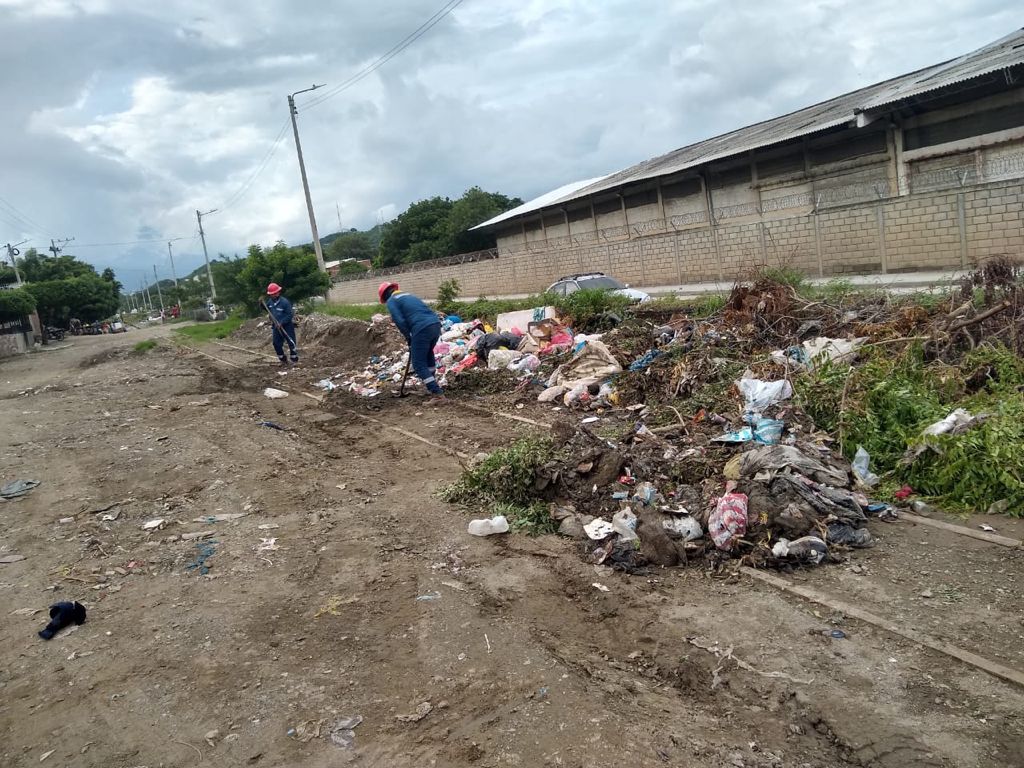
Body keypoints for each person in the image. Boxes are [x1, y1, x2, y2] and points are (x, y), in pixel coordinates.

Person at [378, 282, 443, 397]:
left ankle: (437, 394)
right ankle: (432, 384)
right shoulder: (409, 295)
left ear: (385, 296)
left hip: (421, 328)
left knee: (418, 364)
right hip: (435, 324)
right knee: (428, 354)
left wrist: (409, 337)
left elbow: (400, 321)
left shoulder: (392, 301)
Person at [265, 283, 299, 365]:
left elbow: (289, 314)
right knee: (276, 343)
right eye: (271, 294)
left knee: (291, 342)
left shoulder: (285, 302)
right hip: (276, 326)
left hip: (287, 326)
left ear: (277, 293)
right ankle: (282, 359)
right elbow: (267, 309)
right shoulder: (270, 302)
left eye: (275, 293)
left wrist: (282, 322)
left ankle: (294, 359)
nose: (273, 295)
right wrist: (261, 305)